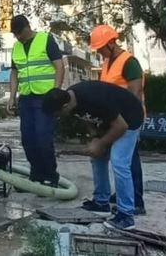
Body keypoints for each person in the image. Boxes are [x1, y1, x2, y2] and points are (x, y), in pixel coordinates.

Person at [43, 82, 144, 230]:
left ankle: (126, 215)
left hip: (130, 118)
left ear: (64, 107)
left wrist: (101, 143)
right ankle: (101, 203)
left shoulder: (94, 99)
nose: (58, 118)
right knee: (97, 157)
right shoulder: (70, 100)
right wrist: (95, 136)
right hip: (110, 121)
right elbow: (86, 118)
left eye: (57, 114)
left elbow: (121, 126)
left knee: (119, 162)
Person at [91, 24, 146, 216]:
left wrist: (123, 119)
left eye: (100, 48)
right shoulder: (107, 63)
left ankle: (136, 202)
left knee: (126, 162)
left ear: (111, 43)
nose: (99, 52)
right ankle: (115, 197)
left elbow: (135, 92)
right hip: (112, 118)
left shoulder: (129, 62)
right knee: (117, 160)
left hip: (129, 119)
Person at [7, 15, 64, 186]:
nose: (18, 37)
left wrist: (56, 91)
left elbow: (59, 66)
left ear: (27, 27)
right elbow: (14, 73)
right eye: (15, 34)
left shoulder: (45, 39)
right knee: (28, 139)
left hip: (45, 97)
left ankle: (51, 175)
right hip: (26, 98)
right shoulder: (16, 47)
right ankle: (36, 173)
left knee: (43, 138)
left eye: (19, 33)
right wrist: (12, 97)